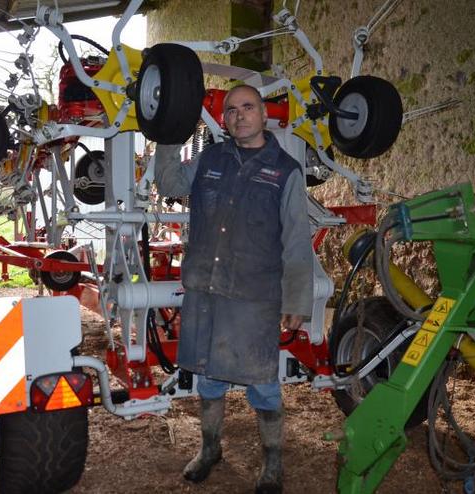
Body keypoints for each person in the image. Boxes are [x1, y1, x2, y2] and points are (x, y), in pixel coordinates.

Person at [154, 84, 314, 493]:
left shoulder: (286, 171)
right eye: (231, 110)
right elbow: (171, 183)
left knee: (263, 382)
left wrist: (297, 298)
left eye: (248, 107)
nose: (239, 115)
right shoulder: (210, 158)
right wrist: (171, 132)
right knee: (208, 377)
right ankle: (210, 449)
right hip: (206, 290)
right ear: (223, 120)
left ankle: (272, 463)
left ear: (264, 115)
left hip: (254, 297)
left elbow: (296, 239)